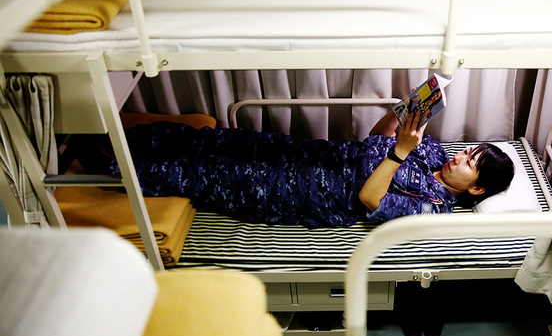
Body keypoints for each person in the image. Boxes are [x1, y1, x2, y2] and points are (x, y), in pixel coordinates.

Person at [93, 108, 514, 229]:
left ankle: (107, 166)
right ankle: (124, 138)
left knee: (207, 173)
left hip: (307, 193)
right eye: (468, 151)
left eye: (470, 163)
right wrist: (404, 113)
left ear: (476, 189)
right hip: (318, 155)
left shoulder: (432, 208)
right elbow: (377, 137)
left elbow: (370, 199)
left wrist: (401, 153)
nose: (460, 157)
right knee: (223, 141)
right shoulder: (436, 153)